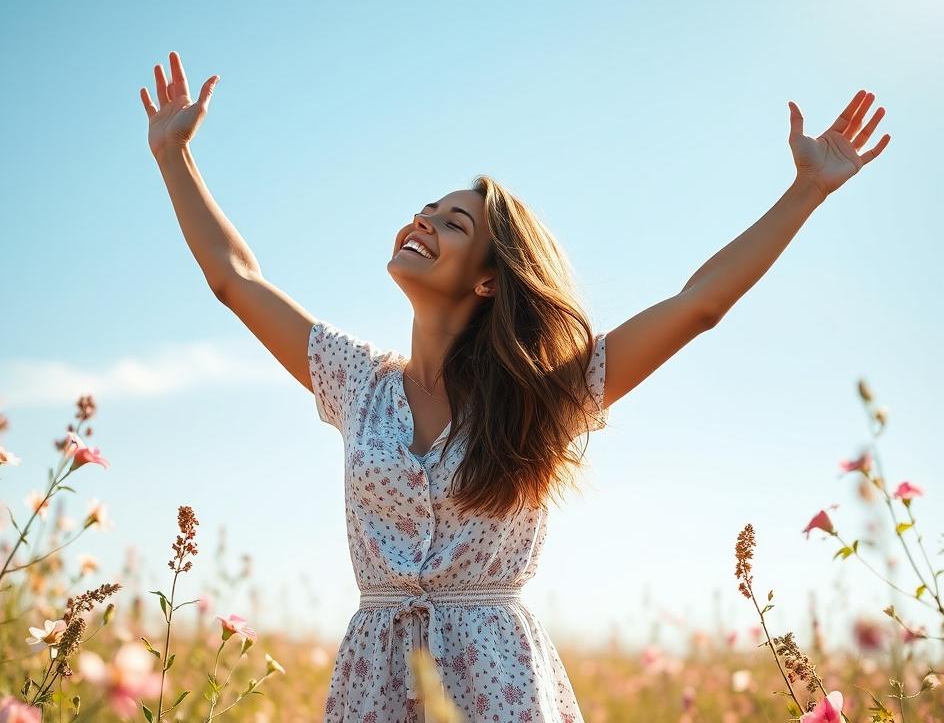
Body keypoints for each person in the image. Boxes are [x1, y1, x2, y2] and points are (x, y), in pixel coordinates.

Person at [140, 51, 890, 722]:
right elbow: (234, 280)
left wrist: (806, 192)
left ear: (492, 280)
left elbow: (698, 305)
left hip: (498, 679)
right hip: (374, 678)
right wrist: (175, 156)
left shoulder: (543, 395)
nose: (423, 221)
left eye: (453, 224)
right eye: (425, 211)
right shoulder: (355, 381)